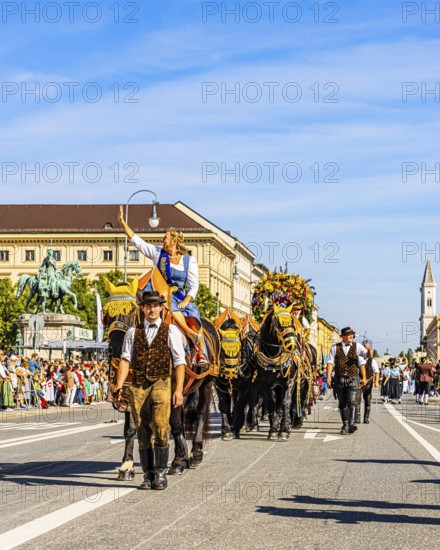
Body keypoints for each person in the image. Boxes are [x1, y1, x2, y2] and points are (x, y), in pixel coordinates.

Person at [118, 205, 208, 367]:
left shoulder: (189, 261)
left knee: (194, 317)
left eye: (165, 237)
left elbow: (194, 286)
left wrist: (186, 301)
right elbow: (139, 242)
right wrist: (123, 224)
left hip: (180, 297)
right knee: (157, 309)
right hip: (160, 295)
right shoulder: (158, 254)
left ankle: (200, 353)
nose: (162, 240)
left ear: (174, 241)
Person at [114, 290, 186, 491]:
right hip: (138, 385)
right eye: (148, 305)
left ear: (161, 308)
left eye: (155, 305)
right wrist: (119, 385)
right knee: (142, 428)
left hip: (162, 382)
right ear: (142, 308)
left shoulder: (170, 330)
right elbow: (125, 359)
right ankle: (148, 475)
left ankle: (161, 473)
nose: (152, 309)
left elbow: (179, 362)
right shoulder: (132, 332)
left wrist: (178, 389)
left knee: (161, 425)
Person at [326, 327, 371, 435]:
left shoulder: (357, 346)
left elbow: (365, 360)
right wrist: (328, 377)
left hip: (353, 378)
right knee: (342, 403)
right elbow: (330, 363)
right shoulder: (334, 348)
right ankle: (345, 424)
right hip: (339, 378)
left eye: (352, 335)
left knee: (352, 401)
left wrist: (369, 349)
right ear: (343, 336)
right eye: (349, 334)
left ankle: (351, 423)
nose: (352, 336)